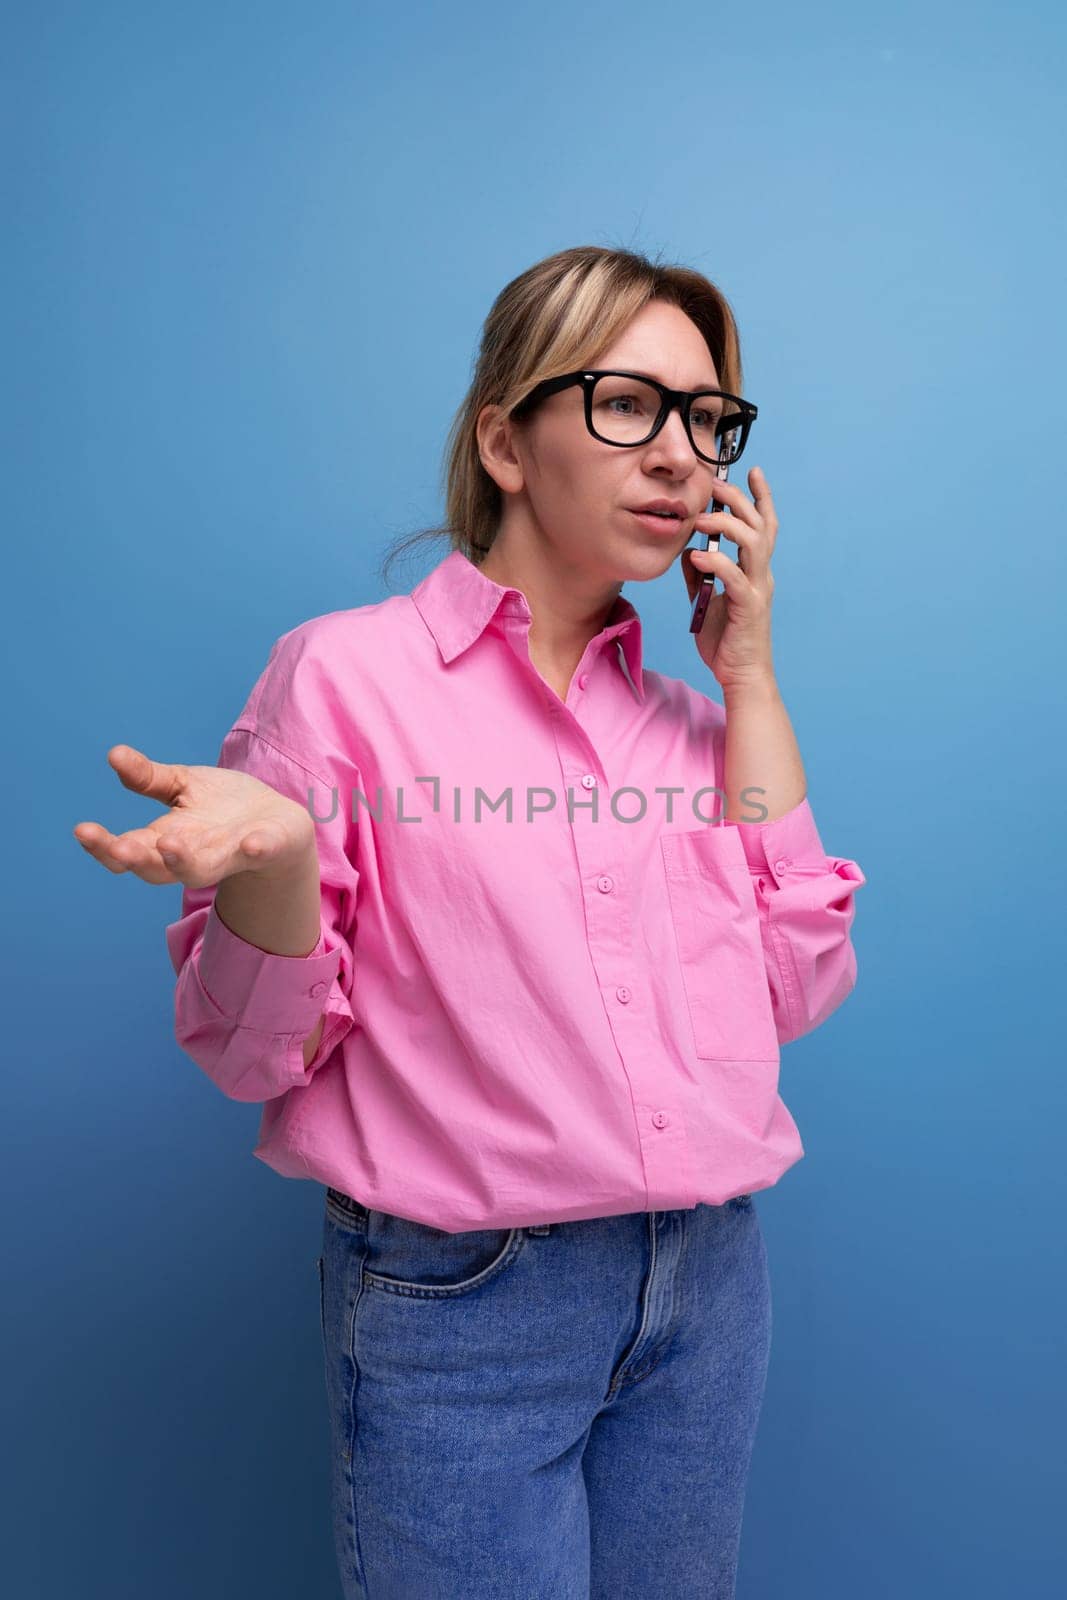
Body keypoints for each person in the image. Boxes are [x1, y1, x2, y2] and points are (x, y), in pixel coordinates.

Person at [73, 244, 866, 1599]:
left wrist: (752, 681)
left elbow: (798, 986)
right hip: (466, 1309)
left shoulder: (692, 728)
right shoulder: (343, 679)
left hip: (708, 1289)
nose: (682, 454)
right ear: (506, 438)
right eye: (630, 404)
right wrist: (274, 859)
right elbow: (248, 1053)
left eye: (707, 418)